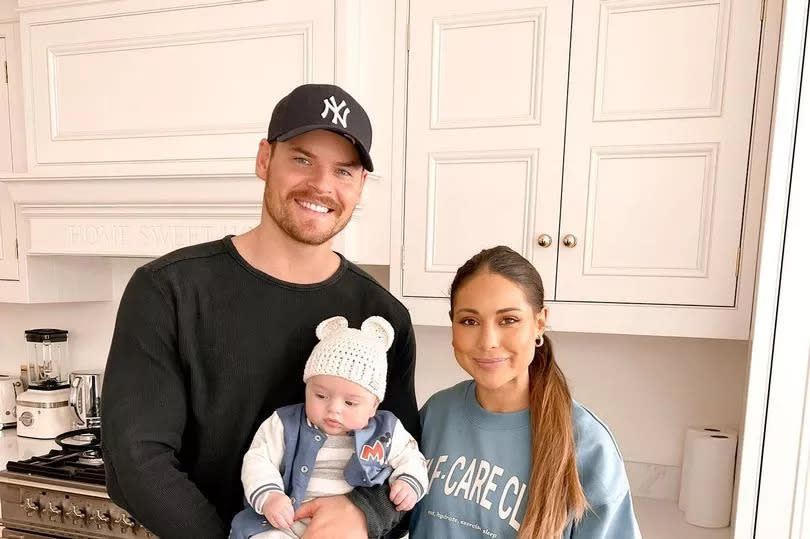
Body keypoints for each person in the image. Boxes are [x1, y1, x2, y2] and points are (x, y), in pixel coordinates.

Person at [101, 84, 419, 539]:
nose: (322, 186)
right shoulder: (167, 290)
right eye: (302, 159)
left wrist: (365, 514)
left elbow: (402, 455)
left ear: (360, 185)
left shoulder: (383, 316)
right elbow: (137, 460)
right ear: (264, 159)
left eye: (344, 171)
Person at [409, 246, 642, 539]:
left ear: (539, 324)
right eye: (470, 321)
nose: (488, 341)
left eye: (508, 320)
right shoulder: (436, 413)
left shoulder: (587, 442)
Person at [230, 315, 428, 539]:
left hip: (349, 530)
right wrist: (269, 496)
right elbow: (259, 459)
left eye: (350, 403)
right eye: (321, 395)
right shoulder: (285, 423)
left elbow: (413, 459)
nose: (334, 408)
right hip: (286, 523)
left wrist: (408, 482)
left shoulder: (387, 431)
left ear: (374, 405)